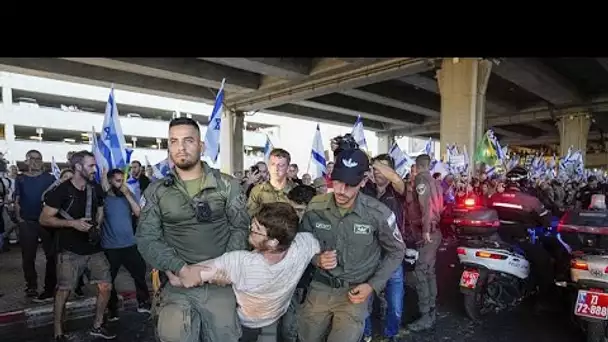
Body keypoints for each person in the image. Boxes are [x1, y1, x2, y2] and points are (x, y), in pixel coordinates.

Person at [136, 117, 250, 342]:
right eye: (174, 141)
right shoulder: (156, 191)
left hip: (220, 284)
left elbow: (240, 228)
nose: (181, 147)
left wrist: (222, 268)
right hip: (178, 284)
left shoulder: (227, 186)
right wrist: (179, 268)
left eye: (188, 140)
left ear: (201, 146)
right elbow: (147, 238)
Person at [166, 203, 320, 342]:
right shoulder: (304, 244)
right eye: (252, 225)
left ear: (273, 242)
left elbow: (182, 279)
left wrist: (165, 262)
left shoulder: (241, 263)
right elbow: (315, 247)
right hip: (276, 314)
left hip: (247, 323)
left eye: (256, 230)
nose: (250, 230)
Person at [297, 148, 406, 342]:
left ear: (364, 181)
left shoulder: (378, 213)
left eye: (350, 185)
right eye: (337, 181)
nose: (341, 190)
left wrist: (372, 286)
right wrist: (316, 259)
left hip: (355, 293)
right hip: (320, 289)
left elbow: (397, 251)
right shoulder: (316, 207)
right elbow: (302, 242)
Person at [39, 150, 114, 341]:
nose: (94, 169)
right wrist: (72, 223)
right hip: (69, 249)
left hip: (93, 247)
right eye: (91, 165)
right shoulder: (61, 191)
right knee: (64, 290)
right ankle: (58, 332)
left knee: (105, 285)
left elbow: (99, 208)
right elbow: (45, 219)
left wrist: (96, 225)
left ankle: (97, 325)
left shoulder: (94, 187)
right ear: (78, 167)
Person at [487, 166, 555, 311]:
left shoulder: (494, 198)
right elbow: (547, 221)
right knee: (545, 263)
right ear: (523, 183)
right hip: (521, 241)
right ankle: (542, 301)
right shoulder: (531, 201)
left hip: (497, 239)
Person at [407, 154, 444, 332]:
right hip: (436, 231)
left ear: (417, 166)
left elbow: (426, 205)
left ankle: (425, 315)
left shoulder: (421, 179)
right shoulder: (436, 181)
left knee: (421, 272)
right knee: (429, 272)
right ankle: (431, 310)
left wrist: (426, 229)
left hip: (428, 233)